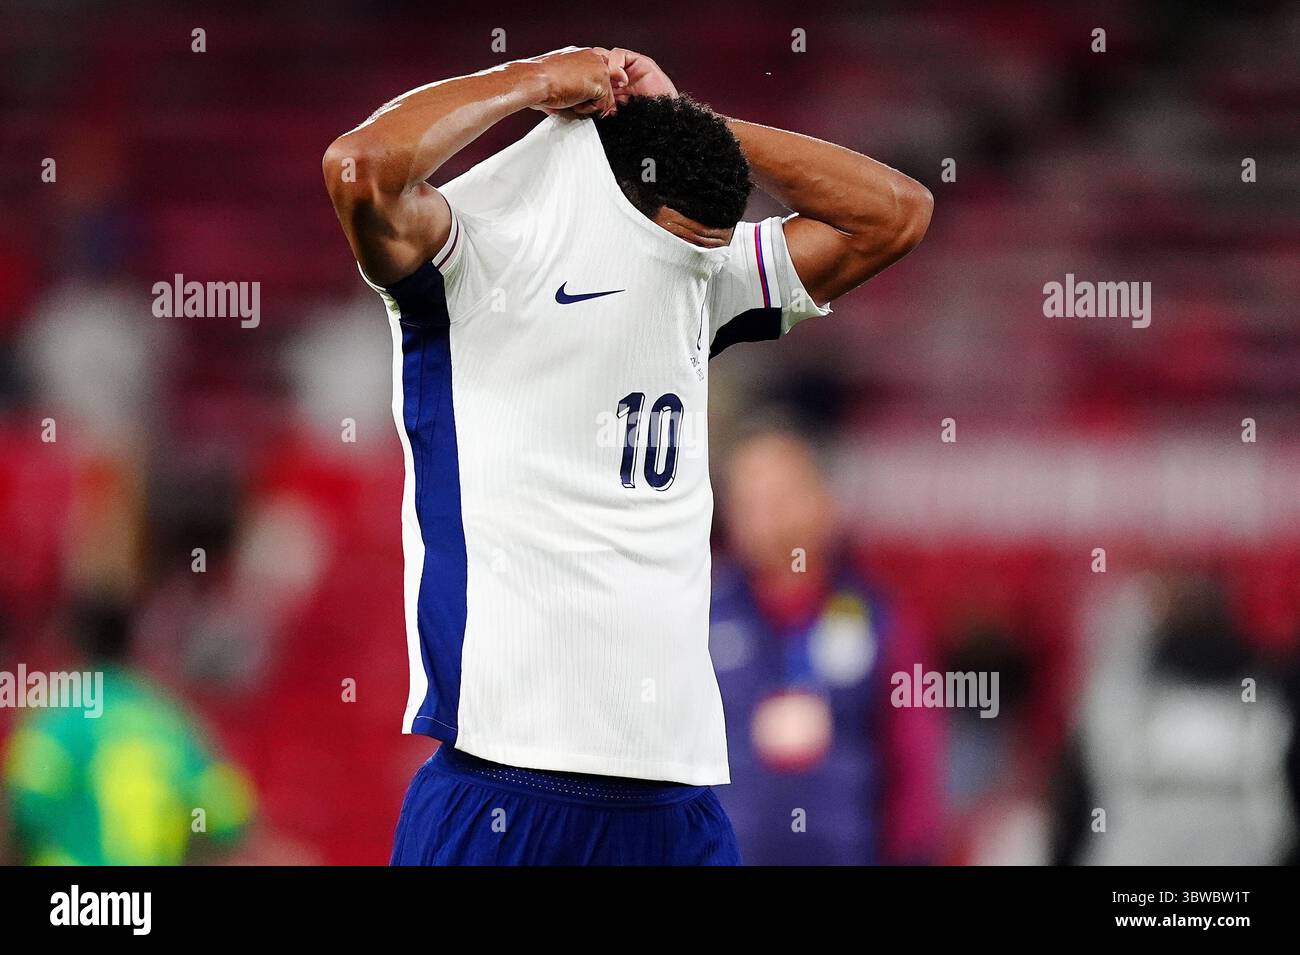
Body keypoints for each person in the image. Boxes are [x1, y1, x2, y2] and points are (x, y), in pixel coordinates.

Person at [322, 45, 931, 865]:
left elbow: (896, 213)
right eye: (687, 241)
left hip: (673, 801)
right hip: (504, 780)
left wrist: (688, 126)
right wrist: (534, 81)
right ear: (620, 201)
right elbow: (360, 168)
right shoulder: (478, 259)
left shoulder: (699, 271)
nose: (704, 257)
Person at [710, 427, 943, 864]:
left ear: (825, 502)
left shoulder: (881, 619)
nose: (765, 517)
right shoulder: (700, 619)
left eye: (780, 498)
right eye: (748, 503)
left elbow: (916, 761)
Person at [2, 595, 254, 865]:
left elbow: (26, 807)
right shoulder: (169, 717)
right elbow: (229, 819)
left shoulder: (58, 714)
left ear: (69, 645)